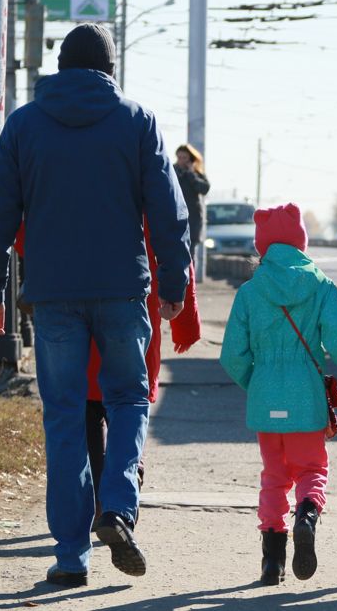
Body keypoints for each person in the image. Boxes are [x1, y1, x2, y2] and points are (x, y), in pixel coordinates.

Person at [0, 23, 191, 588]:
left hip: (53, 297)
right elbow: (168, 210)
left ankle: (71, 556)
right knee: (127, 400)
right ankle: (117, 508)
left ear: (61, 68)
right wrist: (173, 284)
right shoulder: (137, 121)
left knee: (65, 416)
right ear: (110, 70)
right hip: (123, 290)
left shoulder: (23, 124)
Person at [219, 203, 337, 586]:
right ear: (300, 240)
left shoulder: (250, 291)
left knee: (273, 477)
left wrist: (258, 386)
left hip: (266, 403)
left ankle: (272, 563)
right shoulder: (318, 285)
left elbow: (232, 355)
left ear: (261, 245)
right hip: (307, 400)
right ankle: (307, 515)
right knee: (312, 469)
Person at [84, 225, 201, 526]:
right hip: (139, 321)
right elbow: (178, 254)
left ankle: (100, 500)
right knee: (130, 409)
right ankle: (129, 480)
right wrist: (186, 325)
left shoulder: (89, 190)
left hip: (86, 318)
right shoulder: (150, 197)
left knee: (92, 410)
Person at [173, 144, 210, 259]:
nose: (181, 161)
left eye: (184, 157)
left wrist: (191, 174)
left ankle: (190, 276)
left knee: (190, 254)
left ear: (191, 159)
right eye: (179, 157)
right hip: (175, 217)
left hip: (192, 219)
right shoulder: (172, 171)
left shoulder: (196, 173)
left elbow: (204, 189)